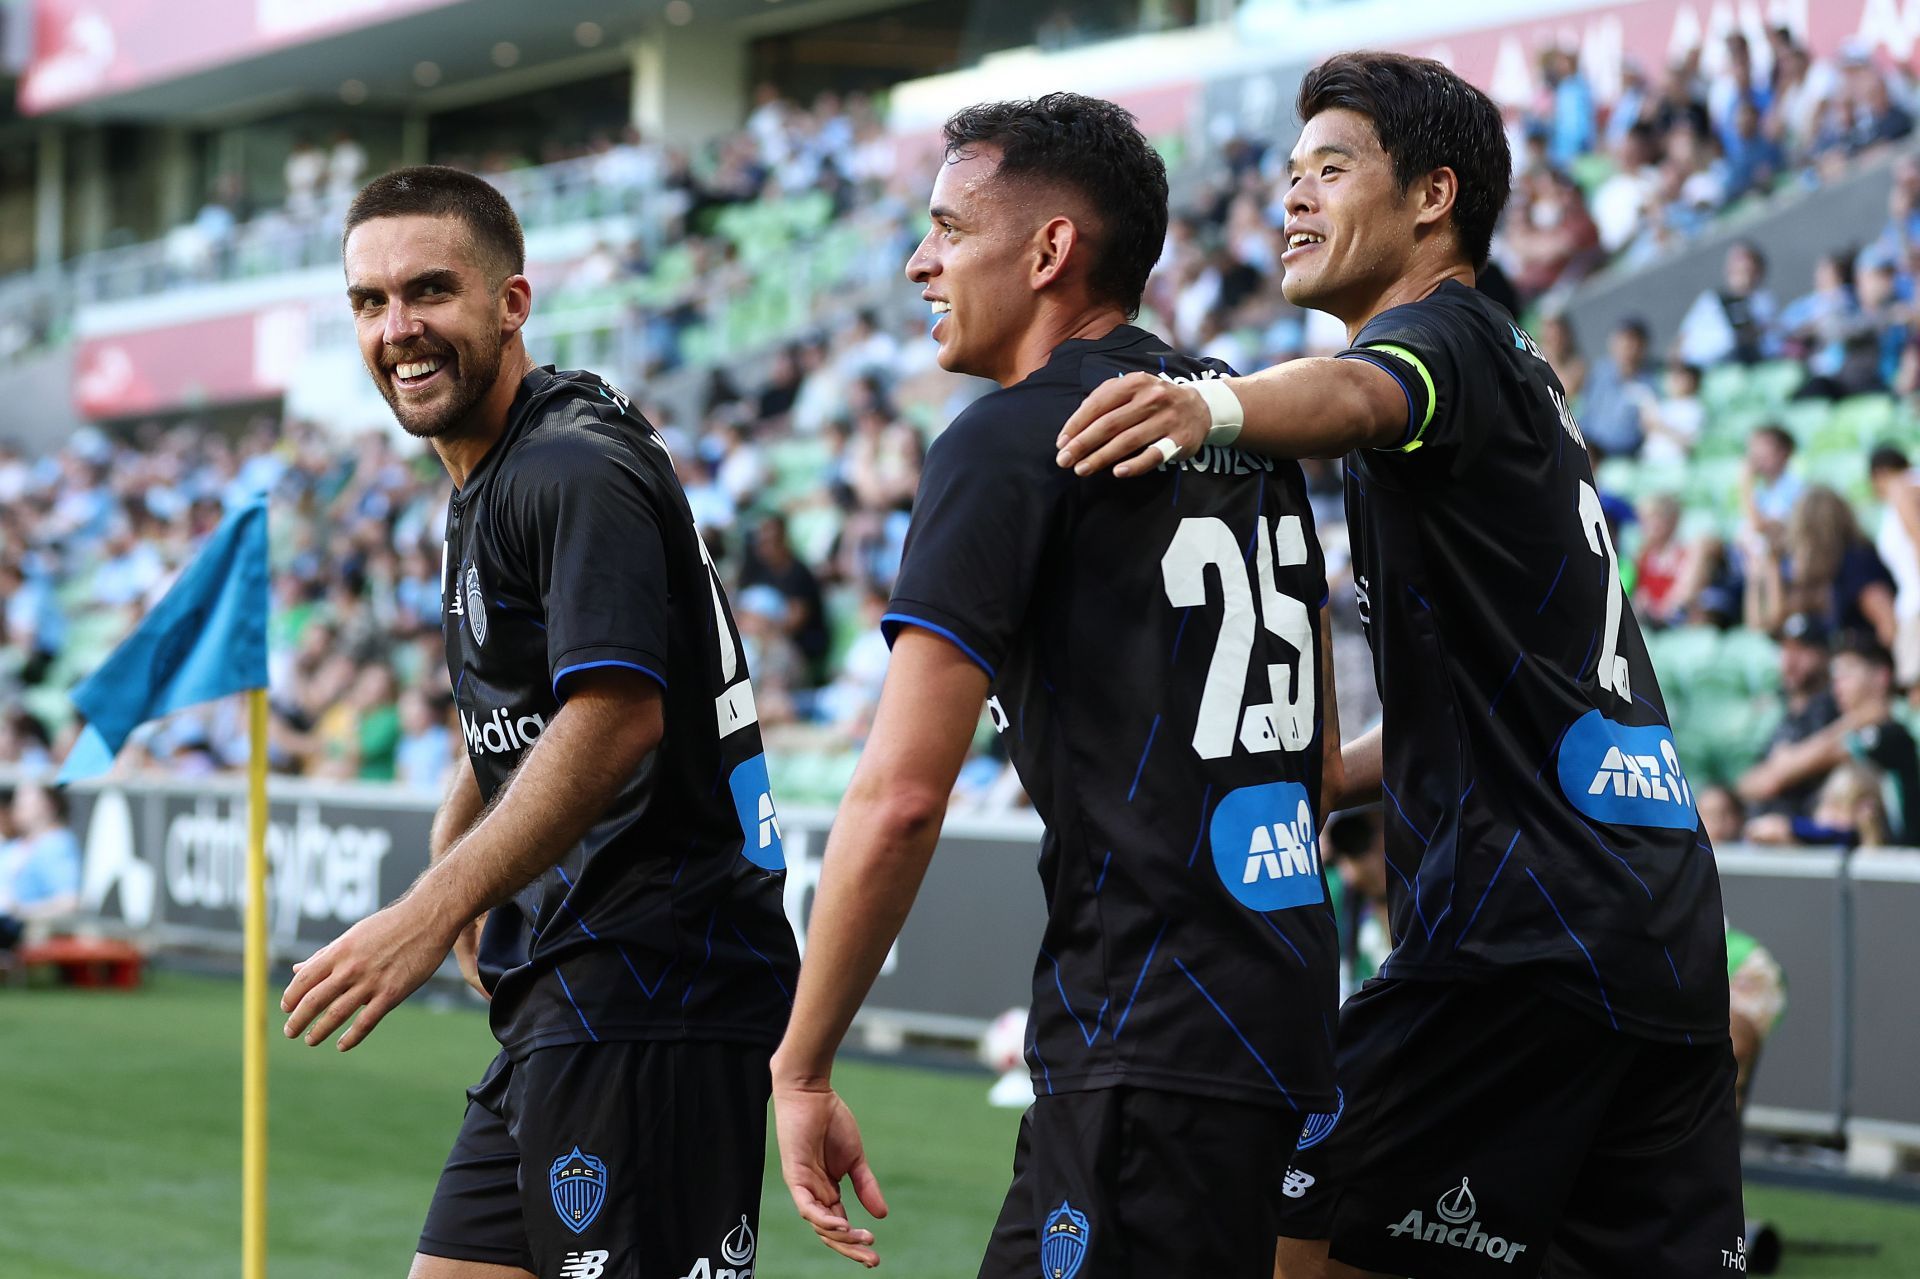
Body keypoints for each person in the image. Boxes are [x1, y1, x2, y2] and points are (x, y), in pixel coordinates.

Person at [1055, 52, 1739, 1279]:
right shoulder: (1516, 375)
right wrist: (1327, 778)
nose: (1292, 200)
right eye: (1288, 172)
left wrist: (1208, 409)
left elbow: (1367, 395)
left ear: (1434, 196)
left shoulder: (1443, 343)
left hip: (1522, 936)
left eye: (1330, 168)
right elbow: (1514, 698)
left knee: (1273, 1210)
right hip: (1660, 934)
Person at [769, 93, 1342, 1278]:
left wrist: (802, 1062)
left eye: (946, 228)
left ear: (1047, 252)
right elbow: (1314, 758)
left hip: (1145, 1033)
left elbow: (900, 799)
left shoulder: (1006, 438)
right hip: (1282, 1019)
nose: (920, 262)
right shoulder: (1241, 425)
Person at [280, 166, 799, 1279]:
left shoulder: (567, 466)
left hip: (655, 977)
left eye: (429, 291)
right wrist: (454, 835)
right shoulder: (503, 463)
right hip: (572, 977)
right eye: (369, 302)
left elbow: (614, 717)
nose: (398, 329)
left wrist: (432, 907)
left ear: (512, 302)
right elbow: (532, 700)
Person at [1737, 612, 1841, 819]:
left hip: (1809, 826)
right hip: (1764, 825)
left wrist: (1785, 767)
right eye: (1785, 648)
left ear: (1824, 655)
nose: (1790, 659)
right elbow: (1746, 783)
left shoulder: (1835, 704)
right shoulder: (1776, 706)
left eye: (1801, 649)